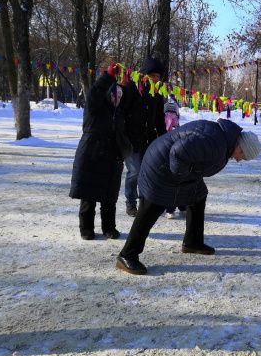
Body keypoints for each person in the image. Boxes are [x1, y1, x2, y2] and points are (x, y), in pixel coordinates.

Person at [115, 118, 261, 275]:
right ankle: (127, 255)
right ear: (241, 146)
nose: (239, 160)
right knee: (151, 208)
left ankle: (193, 242)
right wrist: (180, 177)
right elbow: (177, 152)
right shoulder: (216, 143)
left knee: (198, 195)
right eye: (243, 156)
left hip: (172, 165)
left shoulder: (224, 140)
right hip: (161, 167)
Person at [69, 64, 132, 240]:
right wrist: (108, 77)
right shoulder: (94, 108)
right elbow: (94, 93)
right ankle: (86, 228)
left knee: (109, 196)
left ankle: (109, 227)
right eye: (114, 95)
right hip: (92, 154)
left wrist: (127, 85)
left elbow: (128, 105)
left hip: (112, 156)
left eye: (119, 96)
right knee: (88, 195)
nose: (117, 99)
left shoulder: (118, 112)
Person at [121, 57, 167, 217]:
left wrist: (164, 138)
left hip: (149, 139)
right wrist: (121, 134)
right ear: (144, 74)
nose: (155, 78)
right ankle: (130, 203)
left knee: (147, 172)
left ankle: (144, 202)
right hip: (131, 139)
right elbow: (122, 113)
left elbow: (160, 118)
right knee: (135, 171)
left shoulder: (157, 93)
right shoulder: (132, 88)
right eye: (152, 75)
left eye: (158, 76)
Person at [163, 95, 186, 219]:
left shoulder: (173, 123)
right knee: (175, 181)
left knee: (174, 181)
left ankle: (175, 207)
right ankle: (175, 207)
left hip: (172, 152)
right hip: (171, 153)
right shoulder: (172, 122)